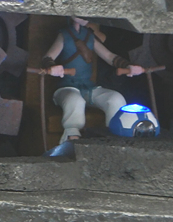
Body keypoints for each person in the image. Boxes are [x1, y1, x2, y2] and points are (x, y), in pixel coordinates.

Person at [39, 16, 144, 156]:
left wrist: (128, 66)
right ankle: (72, 139)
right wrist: (52, 67)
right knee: (75, 100)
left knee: (115, 98)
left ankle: (115, 140)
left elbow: (109, 56)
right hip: (67, 87)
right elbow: (48, 57)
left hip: (89, 88)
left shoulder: (89, 36)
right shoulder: (64, 34)